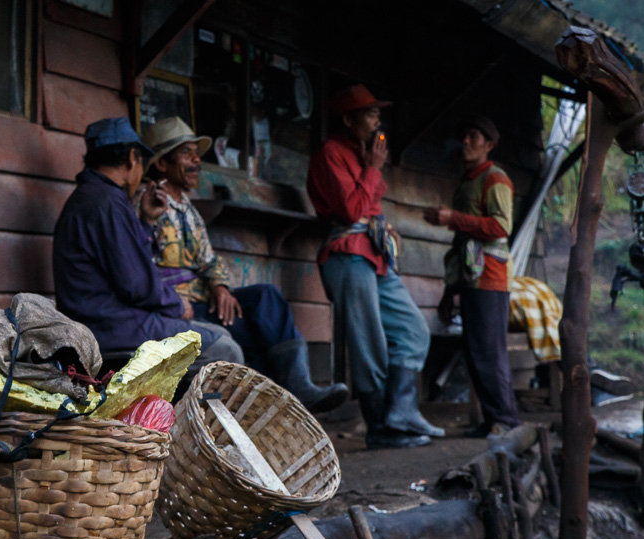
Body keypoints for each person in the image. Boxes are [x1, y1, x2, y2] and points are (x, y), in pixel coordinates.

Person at [138, 116, 349, 413]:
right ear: (162, 164)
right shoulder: (145, 202)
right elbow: (136, 267)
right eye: (187, 153)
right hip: (177, 309)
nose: (197, 161)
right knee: (257, 332)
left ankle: (298, 387)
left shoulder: (188, 208)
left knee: (266, 297)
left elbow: (209, 260)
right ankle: (280, 406)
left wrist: (221, 287)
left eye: (196, 154)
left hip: (205, 300)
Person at [307, 85, 443, 449]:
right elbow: (351, 211)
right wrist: (372, 170)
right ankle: (380, 428)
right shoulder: (331, 153)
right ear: (349, 120)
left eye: (378, 113)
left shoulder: (363, 153)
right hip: (347, 256)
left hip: (375, 255)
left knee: (414, 330)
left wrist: (382, 224)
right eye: (370, 114)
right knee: (369, 345)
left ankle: (401, 412)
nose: (377, 119)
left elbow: (368, 208)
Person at [52, 116, 243, 372]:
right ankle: (188, 412)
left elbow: (126, 265)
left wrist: (146, 221)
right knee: (224, 347)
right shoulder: (108, 202)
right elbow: (137, 284)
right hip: (113, 328)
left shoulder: (89, 198)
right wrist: (177, 305)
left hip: (107, 323)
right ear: (133, 158)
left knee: (216, 335)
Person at [424, 115, 521, 437]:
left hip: (490, 277)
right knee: (477, 351)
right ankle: (493, 419)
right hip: (469, 276)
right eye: (464, 136)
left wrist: (454, 218)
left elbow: (500, 227)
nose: (466, 142)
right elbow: (460, 243)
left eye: (474, 137)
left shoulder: (495, 179)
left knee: (489, 352)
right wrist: (449, 290)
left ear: (489, 146)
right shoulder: (467, 182)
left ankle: (505, 421)